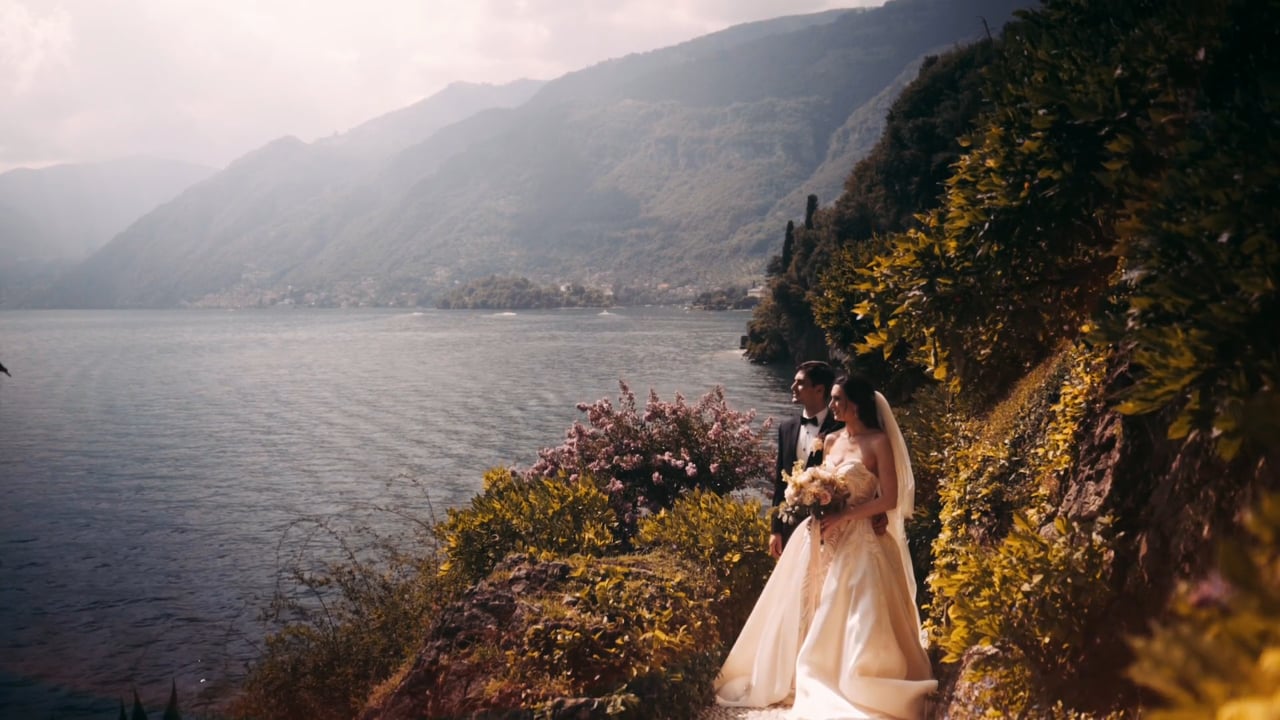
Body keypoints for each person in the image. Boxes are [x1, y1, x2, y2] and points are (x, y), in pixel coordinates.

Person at [715, 375, 936, 719]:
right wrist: (809, 499)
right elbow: (814, 482)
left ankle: (850, 675)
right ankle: (791, 669)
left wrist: (849, 515)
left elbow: (889, 498)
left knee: (853, 606)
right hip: (818, 533)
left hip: (859, 537)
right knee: (803, 599)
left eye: (837, 399)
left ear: (856, 403)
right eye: (831, 398)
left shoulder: (878, 443)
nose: (831, 406)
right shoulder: (830, 439)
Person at [770, 361, 843, 558]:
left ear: (819, 390)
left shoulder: (839, 428)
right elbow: (780, 482)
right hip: (790, 527)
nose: (793, 387)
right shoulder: (786, 428)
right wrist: (775, 530)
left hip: (828, 526)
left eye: (800, 383)